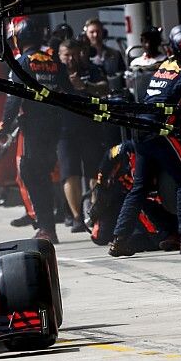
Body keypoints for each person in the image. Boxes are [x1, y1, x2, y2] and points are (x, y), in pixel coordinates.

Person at [109, 24, 181, 257]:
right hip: (161, 130)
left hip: (141, 129)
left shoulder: (166, 65)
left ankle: (120, 238)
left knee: (140, 188)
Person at [0, 17, 70, 243]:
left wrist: (2, 128)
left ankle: (46, 226)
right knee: (44, 173)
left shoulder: (22, 63)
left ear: (20, 38)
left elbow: (14, 97)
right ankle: (49, 224)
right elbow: (66, 90)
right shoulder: (54, 60)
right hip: (56, 125)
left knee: (31, 173)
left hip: (34, 127)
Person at [57, 38, 111, 233]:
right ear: (59, 56)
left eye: (74, 54)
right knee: (69, 173)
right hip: (64, 129)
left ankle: (95, 214)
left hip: (90, 126)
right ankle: (77, 217)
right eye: (66, 55)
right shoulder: (55, 73)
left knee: (93, 172)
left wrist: (84, 87)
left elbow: (105, 87)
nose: (71, 59)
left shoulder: (92, 69)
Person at [83, 18, 125, 91]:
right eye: (92, 32)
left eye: (98, 31)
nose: (95, 35)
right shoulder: (83, 56)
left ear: (104, 33)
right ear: (86, 34)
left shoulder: (115, 54)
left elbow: (123, 74)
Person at [127, 26, 166, 102]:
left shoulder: (166, 62)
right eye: (145, 41)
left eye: (152, 41)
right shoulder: (135, 63)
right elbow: (130, 86)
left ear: (158, 42)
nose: (148, 45)